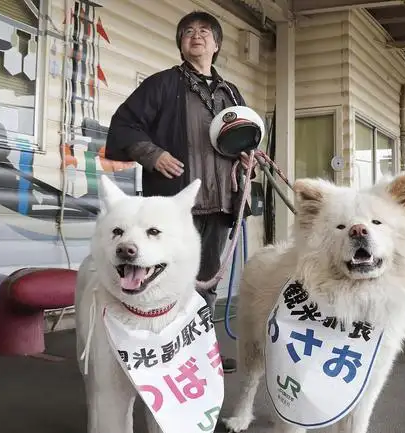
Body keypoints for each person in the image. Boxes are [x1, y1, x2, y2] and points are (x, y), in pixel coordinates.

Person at [105, 10, 257, 374]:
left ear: (217, 44)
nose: (196, 35)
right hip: (176, 210)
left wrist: (249, 157)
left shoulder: (231, 93)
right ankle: (164, 355)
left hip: (221, 204)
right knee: (168, 282)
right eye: (188, 31)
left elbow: (244, 137)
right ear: (181, 43)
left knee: (206, 284)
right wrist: (152, 154)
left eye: (205, 31)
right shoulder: (161, 85)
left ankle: (201, 354)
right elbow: (124, 125)